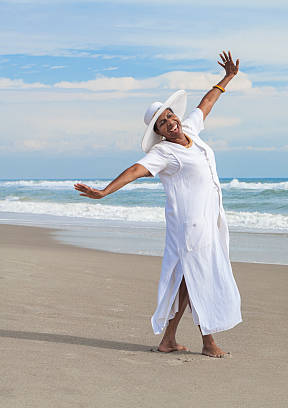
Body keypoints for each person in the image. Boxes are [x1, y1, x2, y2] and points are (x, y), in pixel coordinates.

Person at [74, 51, 242, 358]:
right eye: (162, 124)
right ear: (158, 133)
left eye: (169, 116)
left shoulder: (190, 130)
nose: (169, 123)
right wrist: (105, 191)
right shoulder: (163, 154)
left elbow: (206, 104)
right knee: (198, 276)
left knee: (188, 278)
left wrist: (227, 78)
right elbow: (135, 170)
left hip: (209, 219)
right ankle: (208, 341)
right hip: (190, 224)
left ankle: (169, 339)